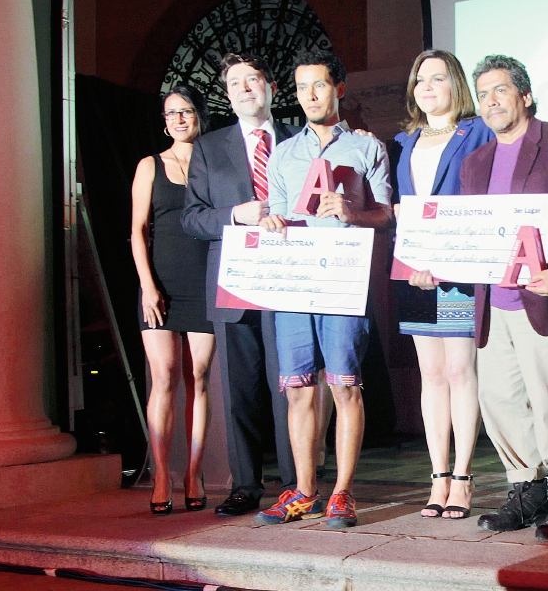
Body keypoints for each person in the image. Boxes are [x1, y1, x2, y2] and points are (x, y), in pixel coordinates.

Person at [455, 54, 548, 541]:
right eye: (483, 94)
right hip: (493, 305)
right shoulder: (474, 163)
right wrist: (437, 262)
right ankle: (526, 492)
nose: (491, 101)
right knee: (500, 400)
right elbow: (468, 234)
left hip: (545, 298)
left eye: (500, 90)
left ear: (525, 95)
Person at [257, 48, 393, 529]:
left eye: (318, 85)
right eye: (300, 87)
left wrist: (351, 212)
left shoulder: (365, 148)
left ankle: (341, 493)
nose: (309, 95)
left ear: (339, 88)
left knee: (345, 387)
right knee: (297, 391)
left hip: (341, 281)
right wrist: (272, 220)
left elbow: (385, 214)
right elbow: (275, 211)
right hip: (296, 283)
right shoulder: (283, 154)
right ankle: (303, 491)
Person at [182, 52, 299, 517]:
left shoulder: (298, 140)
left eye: (254, 80)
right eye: (236, 83)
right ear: (228, 96)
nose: (246, 88)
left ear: (271, 87)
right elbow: (191, 218)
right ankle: (245, 486)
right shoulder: (209, 148)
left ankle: (297, 482)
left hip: (290, 280)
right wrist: (235, 215)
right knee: (240, 390)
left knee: (291, 387)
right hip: (234, 284)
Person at [392, 49, 494, 519]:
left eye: (436, 78)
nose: (426, 87)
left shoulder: (477, 133)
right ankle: (437, 477)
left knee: (459, 372)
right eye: (419, 80)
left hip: (459, 271)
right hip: (414, 271)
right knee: (430, 375)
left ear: (455, 84)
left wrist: (447, 257)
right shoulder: (405, 141)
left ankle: (464, 477)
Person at [130, 86, 217, 515]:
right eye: (171, 113)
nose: (180, 119)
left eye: (187, 111)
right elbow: (137, 232)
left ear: (200, 116)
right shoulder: (150, 165)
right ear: (163, 122)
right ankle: (162, 471)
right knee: (163, 377)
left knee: (198, 378)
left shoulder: (213, 165)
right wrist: (147, 285)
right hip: (159, 284)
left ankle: (193, 473)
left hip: (204, 284)